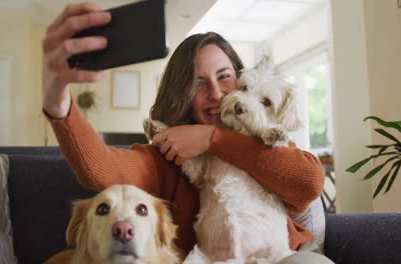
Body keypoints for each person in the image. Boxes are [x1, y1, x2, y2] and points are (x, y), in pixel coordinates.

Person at [42, 2, 333, 263]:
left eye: (224, 77)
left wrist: (213, 139)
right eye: (199, 84)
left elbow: (308, 183)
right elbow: (99, 170)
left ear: (241, 81)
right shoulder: (167, 153)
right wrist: (57, 102)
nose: (217, 94)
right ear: (182, 93)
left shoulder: (266, 139)